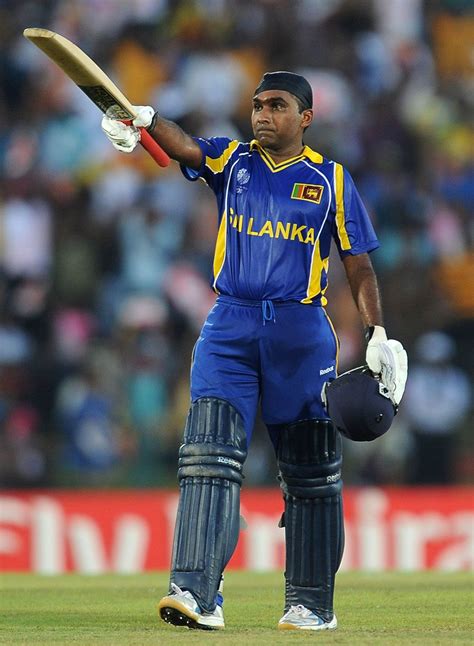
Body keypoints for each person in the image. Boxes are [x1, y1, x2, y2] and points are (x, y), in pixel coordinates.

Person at [101, 71, 408, 632]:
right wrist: (144, 121)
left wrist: (376, 332)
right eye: (257, 104)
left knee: (311, 471)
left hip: (301, 331)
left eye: (277, 105)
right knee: (206, 457)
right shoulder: (233, 161)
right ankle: (195, 593)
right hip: (230, 326)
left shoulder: (331, 180)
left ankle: (311, 603)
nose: (262, 113)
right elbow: (184, 145)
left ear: (306, 117)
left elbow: (358, 264)